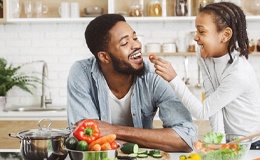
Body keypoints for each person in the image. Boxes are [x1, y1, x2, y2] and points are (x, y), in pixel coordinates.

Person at [67, 14, 197, 152]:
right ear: (104, 57)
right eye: (125, 43)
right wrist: (151, 140)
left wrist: (114, 130)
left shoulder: (155, 75)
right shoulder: (82, 73)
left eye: (135, 38)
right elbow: (86, 141)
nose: (137, 45)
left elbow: (186, 139)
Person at [150, 2, 260, 149]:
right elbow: (212, 103)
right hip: (230, 143)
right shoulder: (204, 55)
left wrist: (174, 79)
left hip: (251, 143)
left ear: (225, 35)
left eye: (201, 32)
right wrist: (220, 143)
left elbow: (203, 112)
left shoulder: (238, 73)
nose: (196, 38)